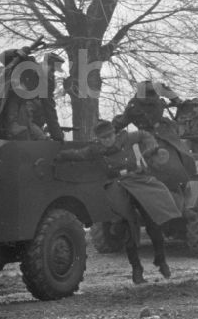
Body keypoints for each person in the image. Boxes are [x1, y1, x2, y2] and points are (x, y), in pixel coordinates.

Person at [56, 120, 181, 284]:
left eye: (109, 136)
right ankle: (136, 269)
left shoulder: (127, 138)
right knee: (128, 225)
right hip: (117, 184)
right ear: (99, 139)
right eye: (103, 138)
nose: (107, 140)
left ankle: (161, 259)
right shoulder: (96, 149)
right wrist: (60, 155)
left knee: (153, 220)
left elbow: (145, 135)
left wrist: (152, 148)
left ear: (114, 133)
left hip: (137, 179)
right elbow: (80, 154)